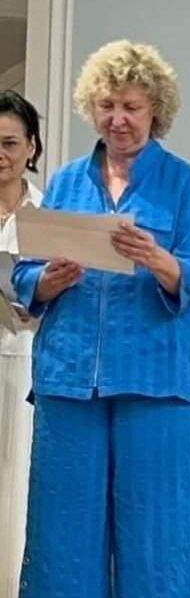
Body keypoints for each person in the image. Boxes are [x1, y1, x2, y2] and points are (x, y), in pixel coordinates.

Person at [12, 40, 190, 597]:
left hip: (156, 379)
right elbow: (26, 277)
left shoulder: (183, 181)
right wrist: (49, 278)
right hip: (69, 376)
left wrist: (156, 258)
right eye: (107, 105)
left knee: (157, 534)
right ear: (91, 108)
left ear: (155, 110)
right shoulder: (65, 182)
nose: (118, 118)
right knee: (61, 533)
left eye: (131, 106)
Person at [0, 89, 43, 598]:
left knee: (22, 489)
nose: (1, 155)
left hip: (33, 361)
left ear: (31, 147)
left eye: (10, 143)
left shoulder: (51, 211)